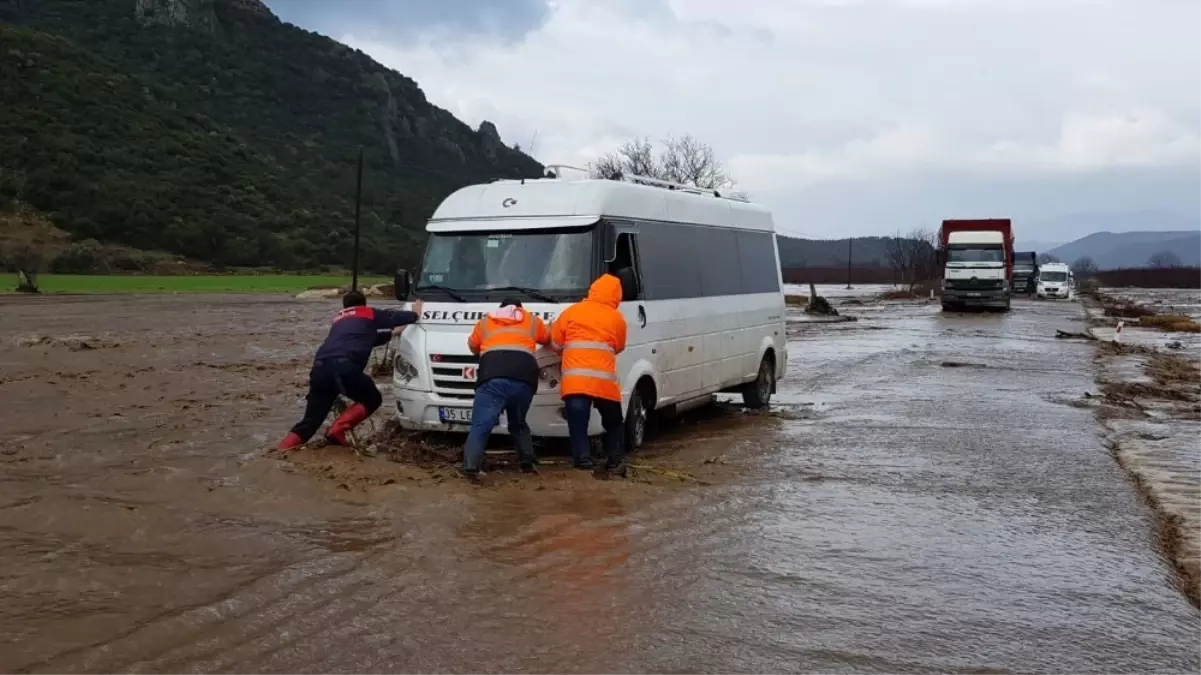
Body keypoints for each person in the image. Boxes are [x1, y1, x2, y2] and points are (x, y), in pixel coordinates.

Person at [278, 292, 423, 450]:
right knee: (372, 399)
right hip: (344, 368)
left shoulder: (339, 319)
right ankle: (337, 429)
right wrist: (416, 312)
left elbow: (366, 338)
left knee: (310, 421)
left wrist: (393, 333)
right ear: (363, 303)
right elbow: (395, 317)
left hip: (320, 368)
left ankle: (280, 451)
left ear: (344, 306)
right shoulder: (367, 312)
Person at [462, 297, 551, 478]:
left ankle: (471, 465)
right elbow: (547, 338)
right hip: (524, 379)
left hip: (493, 377)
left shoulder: (486, 321)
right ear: (520, 308)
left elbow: (473, 346)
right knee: (518, 422)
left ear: (500, 307)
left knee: (481, 424)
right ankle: (527, 462)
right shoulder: (531, 320)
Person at [550, 274, 628, 476]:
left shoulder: (572, 312)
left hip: (576, 382)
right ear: (616, 297)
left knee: (578, 424)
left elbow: (556, 343)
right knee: (614, 422)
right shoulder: (616, 318)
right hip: (605, 384)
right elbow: (619, 346)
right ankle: (615, 461)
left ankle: (583, 462)